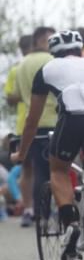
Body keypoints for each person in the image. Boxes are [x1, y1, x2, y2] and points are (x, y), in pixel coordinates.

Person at [11, 31, 84, 260]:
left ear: (53, 52)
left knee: (58, 168)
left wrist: (22, 152)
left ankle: (70, 223)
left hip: (74, 116)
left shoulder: (48, 70)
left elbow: (32, 119)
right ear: (80, 49)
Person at [13, 26, 57, 228]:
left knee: (33, 170)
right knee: (50, 171)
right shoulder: (51, 62)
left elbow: (17, 96)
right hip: (52, 123)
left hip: (29, 125)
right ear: (43, 40)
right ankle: (45, 214)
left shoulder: (21, 65)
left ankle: (38, 213)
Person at [5, 34, 34, 225]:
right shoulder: (45, 65)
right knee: (49, 168)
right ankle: (39, 209)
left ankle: (29, 209)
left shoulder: (16, 70)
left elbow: (9, 98)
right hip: (42, 121)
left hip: (24, 124)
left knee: (27, 169)